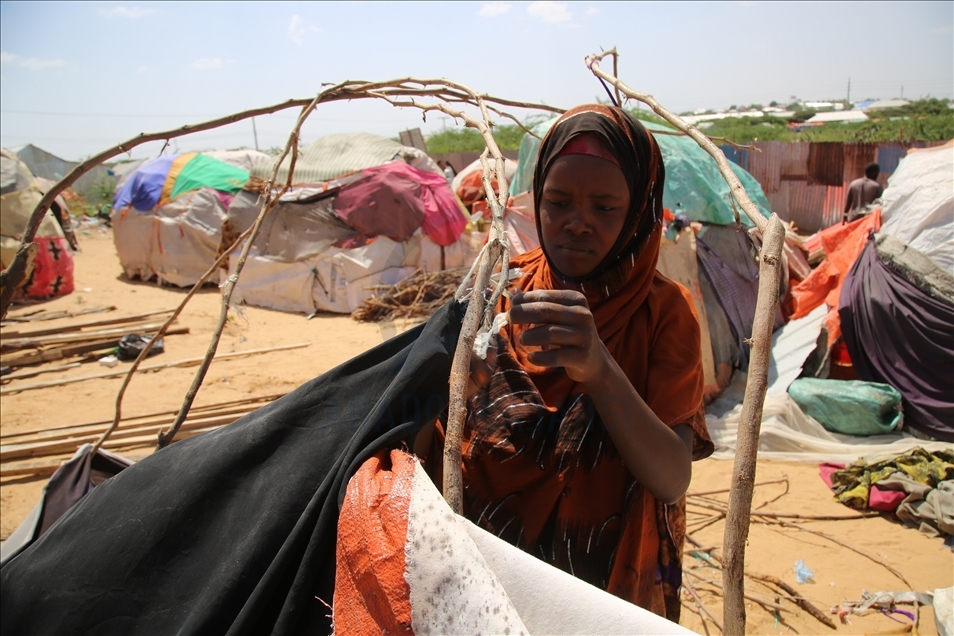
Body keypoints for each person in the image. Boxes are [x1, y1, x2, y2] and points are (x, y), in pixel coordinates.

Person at [419, 104, 712, 622]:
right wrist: (453, 391)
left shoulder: (664, 315)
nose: (576, 224)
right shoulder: (500, 285)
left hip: (594, 598)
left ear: (638, 212)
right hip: (485, 581)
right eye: (557, 203)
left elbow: (671, 478)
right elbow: (433, 442)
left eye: (605, 208)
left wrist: (600, 369)